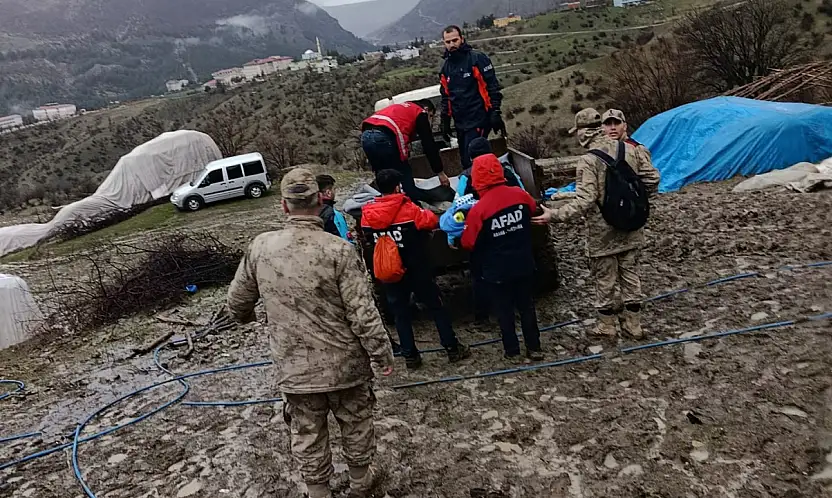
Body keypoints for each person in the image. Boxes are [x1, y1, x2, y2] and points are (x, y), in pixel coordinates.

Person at [227, 167, 394, 498]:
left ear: (284, 205)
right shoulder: (339, 251)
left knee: (307, 432)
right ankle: (360, 481)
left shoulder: (261, 247)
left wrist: (246, 317)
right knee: (356, 422)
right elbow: (362, 313)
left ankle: (318, 492)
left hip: (296, 368)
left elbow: (237, 302)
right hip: (346, 365)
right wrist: (381, 352)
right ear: (320, 201)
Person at [532, 109, 660, 338]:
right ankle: (634, 325)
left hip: (602, 234)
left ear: (584, 133)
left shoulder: (588, 161)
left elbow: (585, 200)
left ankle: (607, 325)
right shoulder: (630, 149)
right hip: (631, 225)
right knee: (631, 275)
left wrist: (555, 215)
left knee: (605, 280)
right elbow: (652, 178)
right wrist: (637, 202)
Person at [361, 168, 470, 369]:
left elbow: (367, 236)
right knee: (436, 307)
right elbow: (431, 221)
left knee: (401, 314)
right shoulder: (409, 209)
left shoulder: (368, 214)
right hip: (417, 269)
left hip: (390, 272)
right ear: (397, 187)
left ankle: (410, 356)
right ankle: (452, 348)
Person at [460, 152, 544, 361]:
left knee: (504, 311)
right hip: (524, 263)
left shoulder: (479, 210)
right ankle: (534, 348)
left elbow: (468, 242)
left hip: (496, 270)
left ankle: (512, 351)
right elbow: (533, 208)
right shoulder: (520, 195)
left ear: (476, 178)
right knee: (526, 307)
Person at [439, 25, 506, 170]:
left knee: (475, 160)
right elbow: (446, 96)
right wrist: (445, 120)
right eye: (448, 42)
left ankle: (491, 180)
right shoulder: (446, 68)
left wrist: (495, 111)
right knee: (465, 161)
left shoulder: (477, 59)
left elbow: (492, 86)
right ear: (444, 43)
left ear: (462, 39)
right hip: (460, 123)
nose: (452, 44)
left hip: (478, 117)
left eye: (455, 40)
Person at [361, 99, 449, 204]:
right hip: (384, 136)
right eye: (431, 116)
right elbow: (428, 144)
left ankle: (388, 205)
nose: (430, 121)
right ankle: (413, 204)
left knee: (383, 177)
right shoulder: (420, 112)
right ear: (426, 109)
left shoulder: (402, 108)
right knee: (404, 173)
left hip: (366, 136)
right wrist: (440, 172)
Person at [315, 174, 351, 242]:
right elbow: (345, 239)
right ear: (328, 193)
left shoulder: (309, 212)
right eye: (334, 189)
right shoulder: (335, 215)